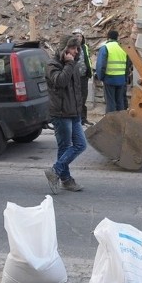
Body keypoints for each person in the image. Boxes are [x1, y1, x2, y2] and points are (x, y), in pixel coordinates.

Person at [44, 35, 87, 194]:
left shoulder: (73, 64)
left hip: (74, 113)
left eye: (78, 48)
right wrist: (68, 64)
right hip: (61, 113)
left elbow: (77, 90)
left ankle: (55, 171)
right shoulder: (52, 64)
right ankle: (66, 180)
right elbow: (60, 81)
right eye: (74, 48)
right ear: (65, 49)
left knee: (81, 145)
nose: (77, 51)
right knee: (64, 147)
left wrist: (80, 111)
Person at [94, 30, 130, 113]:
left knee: (111, 102)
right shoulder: (123, 48)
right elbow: (127, 65)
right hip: (121, 79)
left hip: (109, 79)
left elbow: (101, 65)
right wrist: (125, 78)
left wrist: (101, 77)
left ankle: (111, 123)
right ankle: (121, 121)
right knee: (120, 101)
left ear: (108, 37)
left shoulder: (105, 47)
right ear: (117, 37)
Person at [73, 30, 93, 126]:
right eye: (77, 36)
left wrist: (89, 71)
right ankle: (77, 119)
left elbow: (87, 60)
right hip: (75, 77)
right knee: (76, 98)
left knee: (83, 97)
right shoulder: (71, 48)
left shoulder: (84, 47)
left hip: (84, 76)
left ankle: (84, 118)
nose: (79, 38)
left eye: (80, 36)